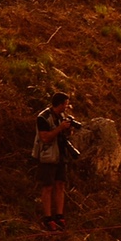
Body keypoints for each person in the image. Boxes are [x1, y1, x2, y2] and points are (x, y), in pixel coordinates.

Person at [35, 92, 76, 231]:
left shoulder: (62, 116)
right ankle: (48, 218)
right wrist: (60, 128)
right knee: (47, 186)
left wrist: (68, 129)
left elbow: (63, 135)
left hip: (61, 156)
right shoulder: (43, 117)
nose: (67, 106)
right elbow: (45, 138)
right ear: (60, 104)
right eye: (66, 104)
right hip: (48, 156)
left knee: (60, 185)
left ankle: (59, 215)